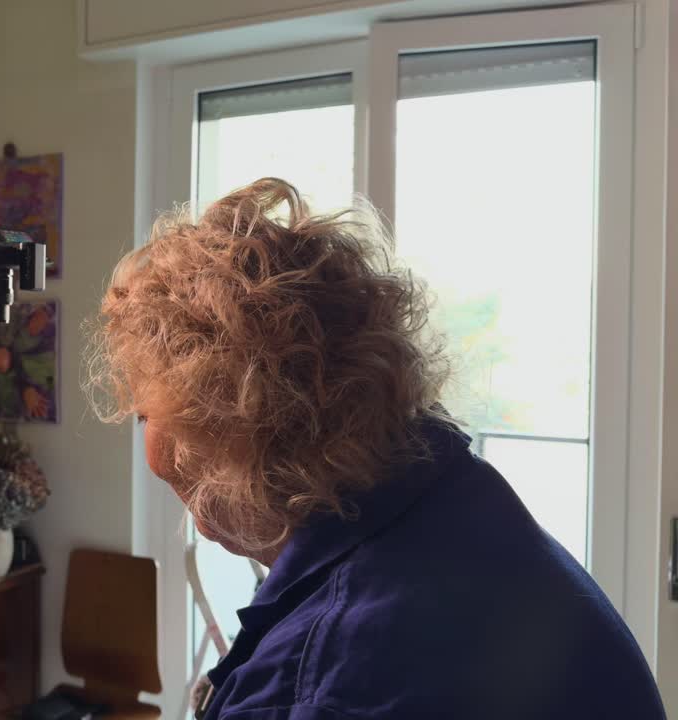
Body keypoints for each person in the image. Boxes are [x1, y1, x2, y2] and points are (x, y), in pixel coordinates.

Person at [86, 178, 666, 719]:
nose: (149, 452)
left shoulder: (322, 678)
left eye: (144, 415)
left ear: (231, 429)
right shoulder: (451, 496)